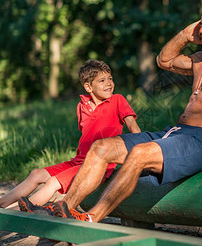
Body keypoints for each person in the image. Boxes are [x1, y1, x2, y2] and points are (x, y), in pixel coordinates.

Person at [22, 6, 202, 222]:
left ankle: (92, 218)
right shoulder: (200, 60)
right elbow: (164, 61)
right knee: (101, 147)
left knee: (140, 154)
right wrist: (186, 34)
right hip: (174, 134)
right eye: (201, 24)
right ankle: (67, 209)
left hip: (201, 141)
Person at [0, 59, 140, 211]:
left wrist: (139, 153)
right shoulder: (82, 106)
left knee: (53, 182)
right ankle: (2, 204)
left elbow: (133, 126)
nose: (108, 83)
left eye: (110, 79)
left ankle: (11, 214)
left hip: (98, 165)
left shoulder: (117, 100)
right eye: (102, 80)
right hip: (78, 161)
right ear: (88, 87)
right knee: (36, 173)